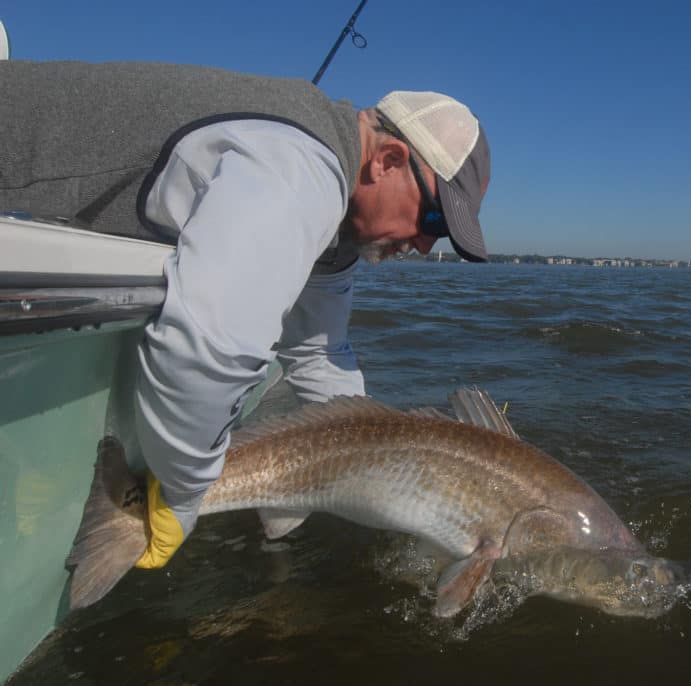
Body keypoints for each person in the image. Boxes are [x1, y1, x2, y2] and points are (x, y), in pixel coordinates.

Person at [0, 60, 491, 567]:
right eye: (433, 217)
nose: (426, 243)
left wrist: (377, 464)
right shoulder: (303, 168)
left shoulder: (337, 233)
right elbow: (209, 346)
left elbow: (319, 353)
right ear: (387, 160)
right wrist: (182, 498)